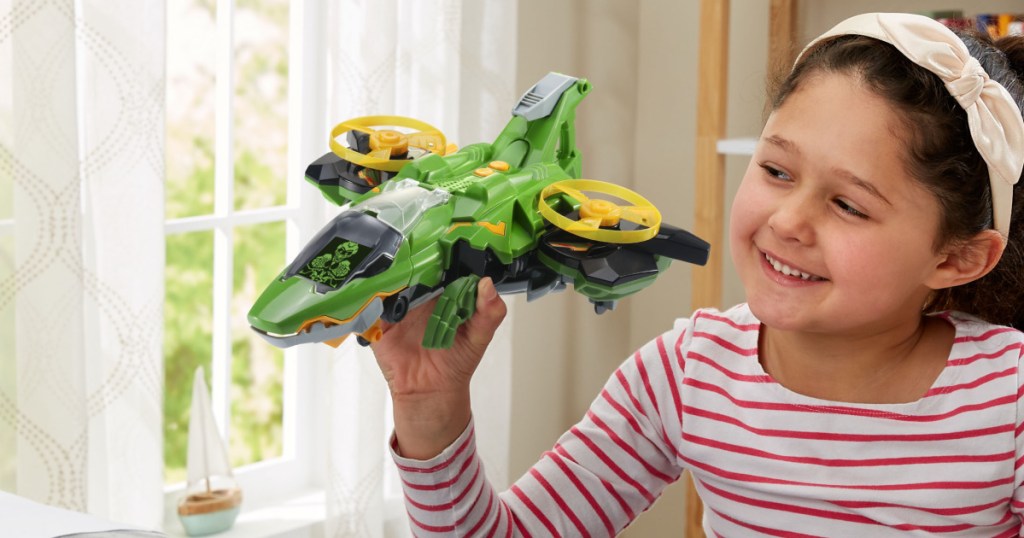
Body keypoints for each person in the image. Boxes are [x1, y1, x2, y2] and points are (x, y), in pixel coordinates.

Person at [371, 12, 1024, 536]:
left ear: (956, 258)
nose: (789, 221)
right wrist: (431, 412)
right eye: (776, 171)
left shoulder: (1010, 400)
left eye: (848, 205)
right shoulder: (685, 374)